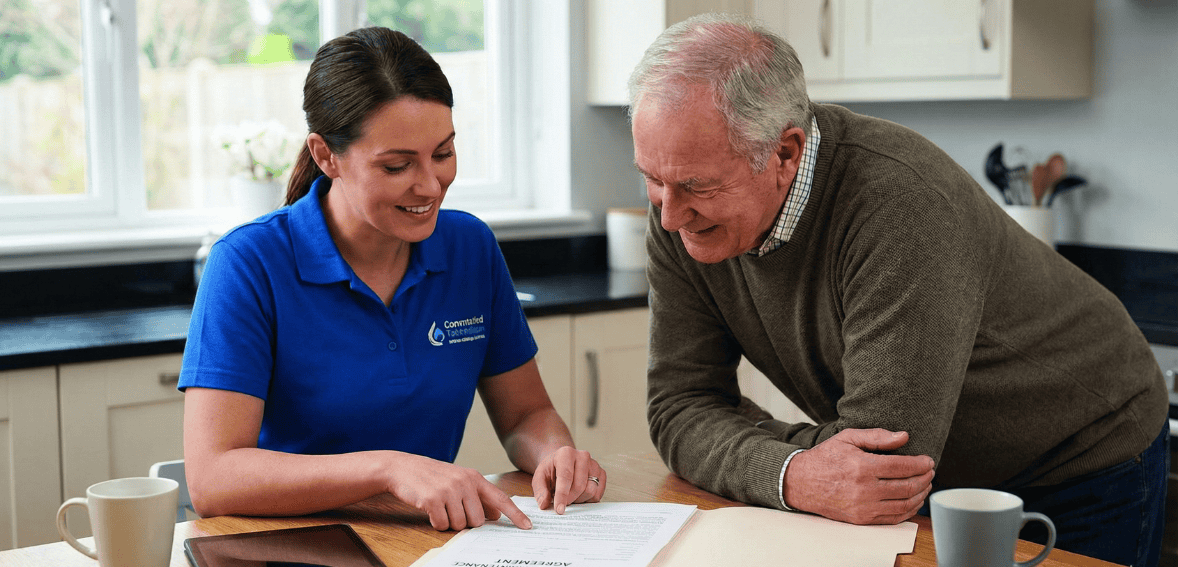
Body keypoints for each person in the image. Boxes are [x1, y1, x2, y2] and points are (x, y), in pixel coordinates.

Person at [630, 12, 1168, 567]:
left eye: (696, 186)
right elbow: (677, 406)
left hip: (1081, 454)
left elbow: (885, 465)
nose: (669, 215)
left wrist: (741, 447)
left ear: (784, 155)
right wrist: (794, 472)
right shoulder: (681, 209)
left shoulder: (902, 207)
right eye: (651, 178)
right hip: (943, 476)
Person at [179, 26, 605, 533]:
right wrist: (388, 469)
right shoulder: (248, 264)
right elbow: (212, 479)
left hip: (425, 545)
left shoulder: (470, 247)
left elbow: (525, 416)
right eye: (398, 165)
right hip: (290, 550)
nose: (429, 185)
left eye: (443, 154)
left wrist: (556, 456)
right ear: (325, 155)